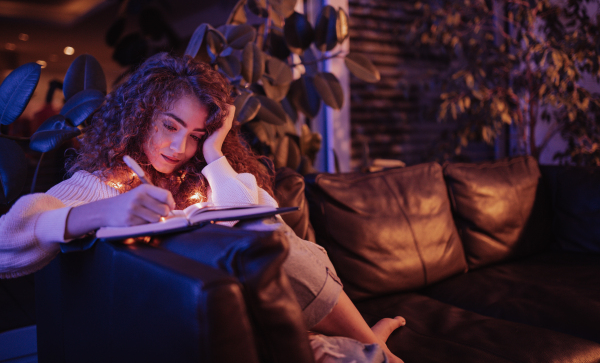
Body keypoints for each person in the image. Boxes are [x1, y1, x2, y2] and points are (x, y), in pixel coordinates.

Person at [0, 53, 404, 363]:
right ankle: (370, 346)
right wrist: (104, 212)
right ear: (140, 116)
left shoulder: (200, 173)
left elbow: (268, 221)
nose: (180, 148)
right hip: (199, 326)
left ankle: (371, 346)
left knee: (273, 239)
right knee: (339, 355)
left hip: (261, 308)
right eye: (170, 126)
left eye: (195, 134)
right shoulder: (104, 182)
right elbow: (5, 243)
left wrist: (214, 153)